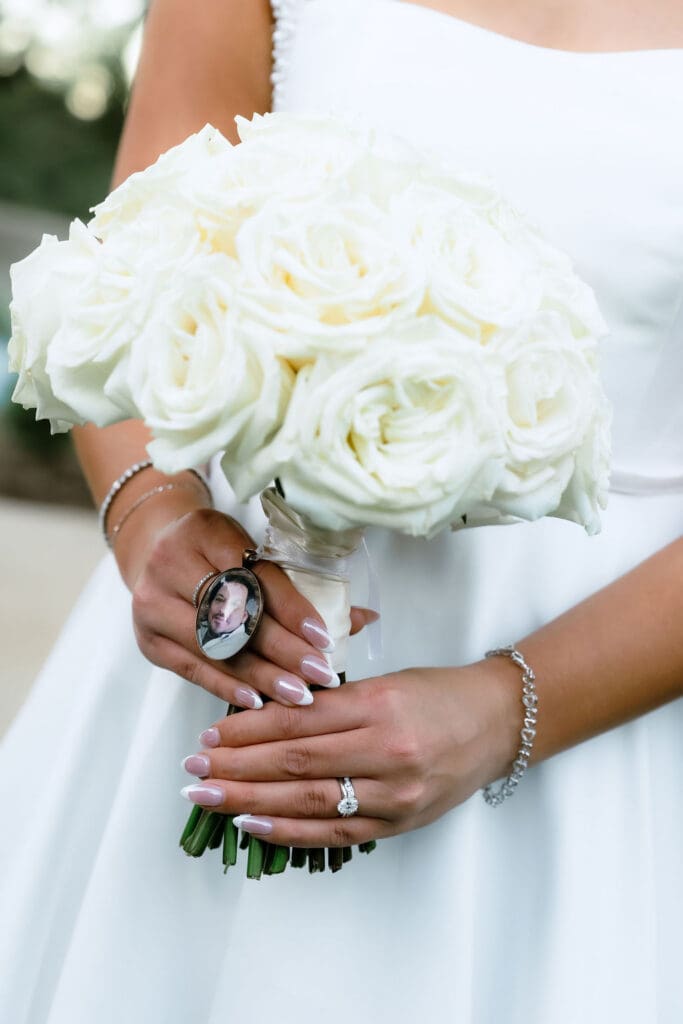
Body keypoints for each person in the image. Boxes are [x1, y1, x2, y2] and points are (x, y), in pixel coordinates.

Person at [1, 1, 682, 1021]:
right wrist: (151, 521)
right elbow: (132, 270)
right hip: (216, 661)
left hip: (592, 714)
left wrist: (506, 709)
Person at [198, 579, 254, 659]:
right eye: (219, 599)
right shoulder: (197, 628)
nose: (223, 610)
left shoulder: (243, 648)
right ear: (210, 604)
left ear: (244, 616)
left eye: (234, 604)